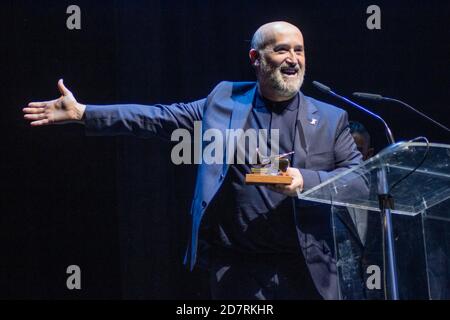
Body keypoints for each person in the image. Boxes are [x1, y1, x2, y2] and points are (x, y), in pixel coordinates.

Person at [23, 21, 362, 299]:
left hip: (306, 267)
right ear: (256, 58)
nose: (293, 58)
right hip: (237, 271)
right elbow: (156, 118)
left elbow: (359, 179)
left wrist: (306, 181)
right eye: (281, 49)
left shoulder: (332, 118)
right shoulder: (224, 102)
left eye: (299, 50)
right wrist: (84, 113)